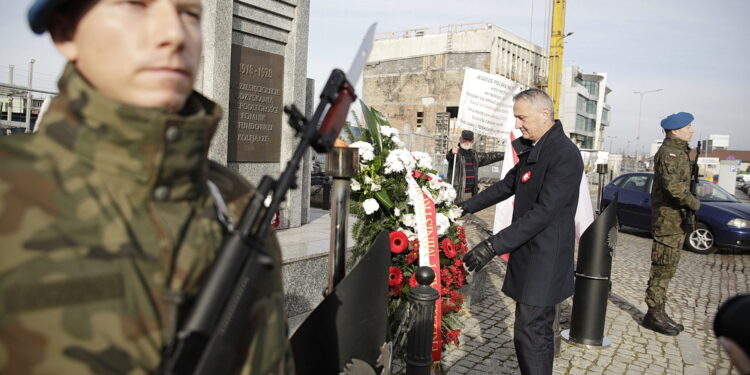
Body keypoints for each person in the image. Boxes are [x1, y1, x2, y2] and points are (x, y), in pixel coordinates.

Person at [0, 1, 293, 374]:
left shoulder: (237, 204)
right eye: (135, 5)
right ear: (65, 32)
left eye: (189, 14)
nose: (173, 35)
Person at [461, 88, 583, 375]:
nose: (518, 124)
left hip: (545, 259)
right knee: (531, 332)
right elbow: (506, 186)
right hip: (529, 252)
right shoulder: (536, 147)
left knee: (531, 333)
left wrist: (492, 246)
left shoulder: (564, 154)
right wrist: (463, 207)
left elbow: (544, 212)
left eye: (522, 117)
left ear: (544, 114)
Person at [641, 112, 699, 336]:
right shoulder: (670, 153)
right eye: (688, 126)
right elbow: (674, 189)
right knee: (662, 269)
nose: (691, 130)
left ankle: (658, 310)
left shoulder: (680, 152)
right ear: (675, 130)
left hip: (675, 221)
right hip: (667, 222)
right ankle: (653, 313)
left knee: (668, 269)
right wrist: (695, 203)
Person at [446, 129, 504, 202]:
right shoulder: (455, 154)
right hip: (456, 194)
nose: (467, 142)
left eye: (469, 140)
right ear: (460, 139)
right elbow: (449, 156)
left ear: (472, 141)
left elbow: (490, 156)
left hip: (471, 194)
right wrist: (452, 152)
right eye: (465, 139)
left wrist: (506, 154)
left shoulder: (474, 155)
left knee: (469, 213)